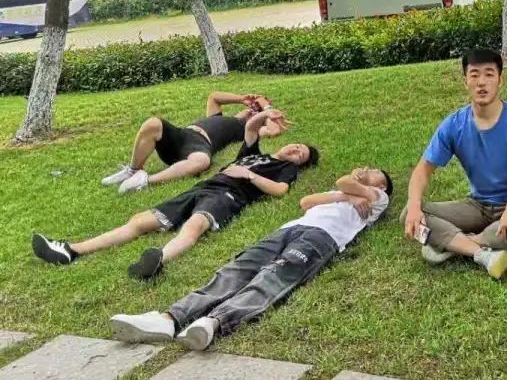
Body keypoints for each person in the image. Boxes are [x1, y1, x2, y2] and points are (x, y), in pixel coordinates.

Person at [108, 166, 392, 350]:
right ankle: (169, 318)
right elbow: (306, 202)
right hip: (289, 229)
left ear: (382, 185)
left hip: (323, 239)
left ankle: (213, 322)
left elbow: (344, 180)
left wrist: (353, 188)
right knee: (238, 269)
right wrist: (345, 197)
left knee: (274, 277)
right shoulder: (342, 193)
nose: (366, 170)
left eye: (373, 172)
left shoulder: (379, 197)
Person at [32, 109, 320, 279]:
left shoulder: (283, 169)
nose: (295, 150)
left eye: (300, 155)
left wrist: (248, 175)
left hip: (228, 196)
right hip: (203, 187)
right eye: (296, 146)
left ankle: (159, 259)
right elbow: (251, 127)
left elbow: (281, 190)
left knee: (195, 225)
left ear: (299, 164)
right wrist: (265, 114)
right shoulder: (254, 153)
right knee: (139, 221)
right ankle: (71, 250)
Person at [402, 48, 507, 280]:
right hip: (478, 206)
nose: (481, 82)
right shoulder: (454, 125)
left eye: (489, 74)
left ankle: (457, 243)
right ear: (465, 82)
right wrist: (413, 206)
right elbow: (422, 171)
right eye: (474, 75)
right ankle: (483, 252)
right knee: (409, 214)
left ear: (500, 80)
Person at [100, 92, 287, 193]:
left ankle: (145, 181)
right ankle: (133, 170)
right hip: (182, 136)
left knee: (203, 161)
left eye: (256, 113)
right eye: (252, 109)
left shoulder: (246, 129)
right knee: (153, 123)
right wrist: (242, 99)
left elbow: (273, 130)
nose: (252, 111)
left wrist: (266, 109)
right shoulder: (217, 117)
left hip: (198, 147)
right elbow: (214, 97)